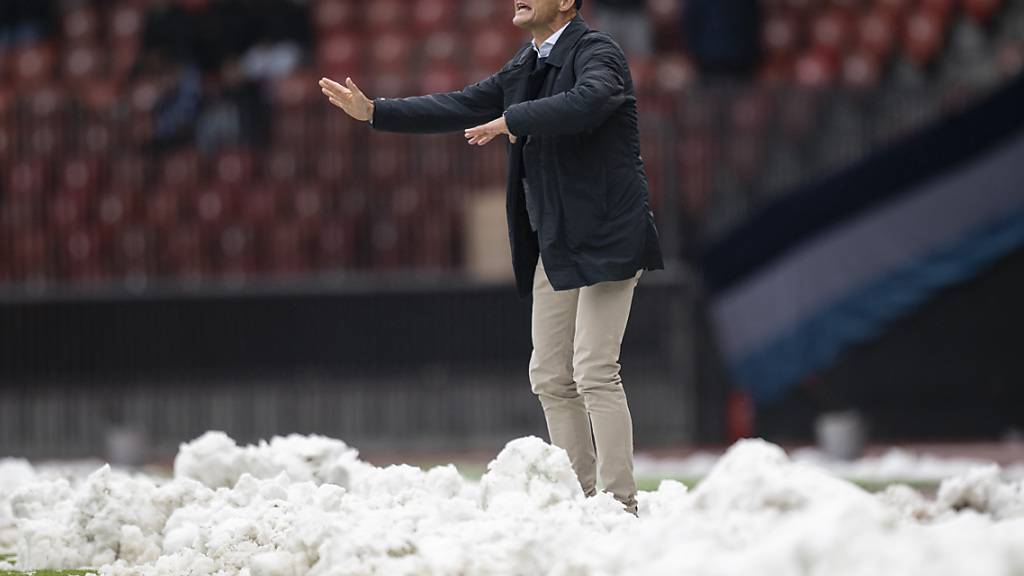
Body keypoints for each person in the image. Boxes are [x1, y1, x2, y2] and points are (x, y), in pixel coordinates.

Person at [318, 0, 663, 516]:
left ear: (567, 1)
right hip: (556, 238)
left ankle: (620, 503)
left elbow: (590, 101)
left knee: (594, 369)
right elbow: (460, 104)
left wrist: (512, 121)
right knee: (550, 374)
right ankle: (581, 498)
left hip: (610, 235)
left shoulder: (598, 51)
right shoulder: (525, 65)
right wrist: (376, 113)